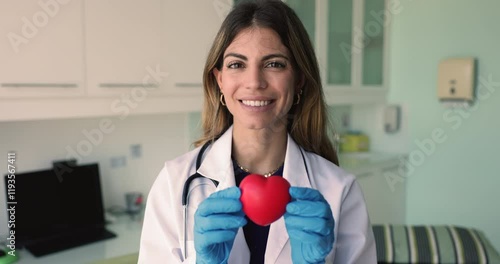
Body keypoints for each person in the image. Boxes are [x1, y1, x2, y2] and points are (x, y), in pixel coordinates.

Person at [139, 0, 376, 263]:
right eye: (236, 65)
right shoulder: (175, 183)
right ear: (219, 80)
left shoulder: (340, 190)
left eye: (274, 64)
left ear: (298, 80)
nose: (254, 82)